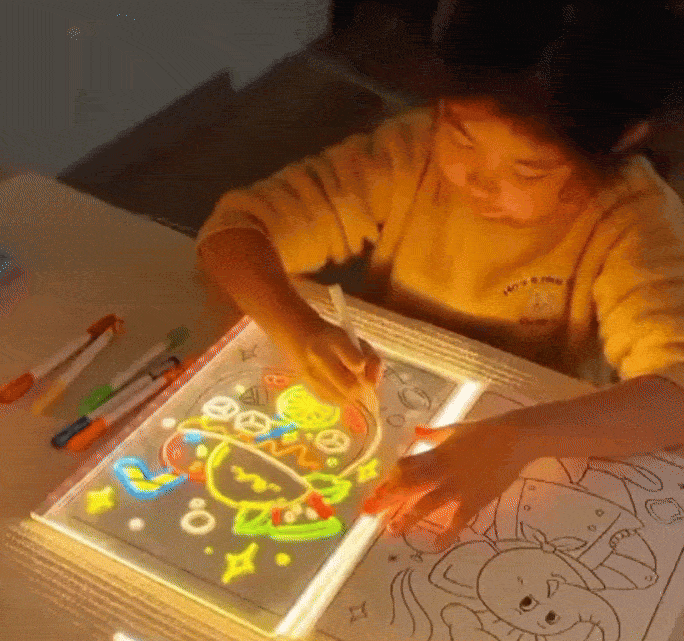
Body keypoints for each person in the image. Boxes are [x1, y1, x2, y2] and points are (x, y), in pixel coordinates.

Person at [196, 2, 684, 546]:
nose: (476, 180)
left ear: (622, 141)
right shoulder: (412, 150)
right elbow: (235, 233)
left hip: (539, 427)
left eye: (529, 168)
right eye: (462, 136)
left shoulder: (636, 219)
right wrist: (297, 328)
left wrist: (519, 438)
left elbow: (676, 394)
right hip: (396, 394)